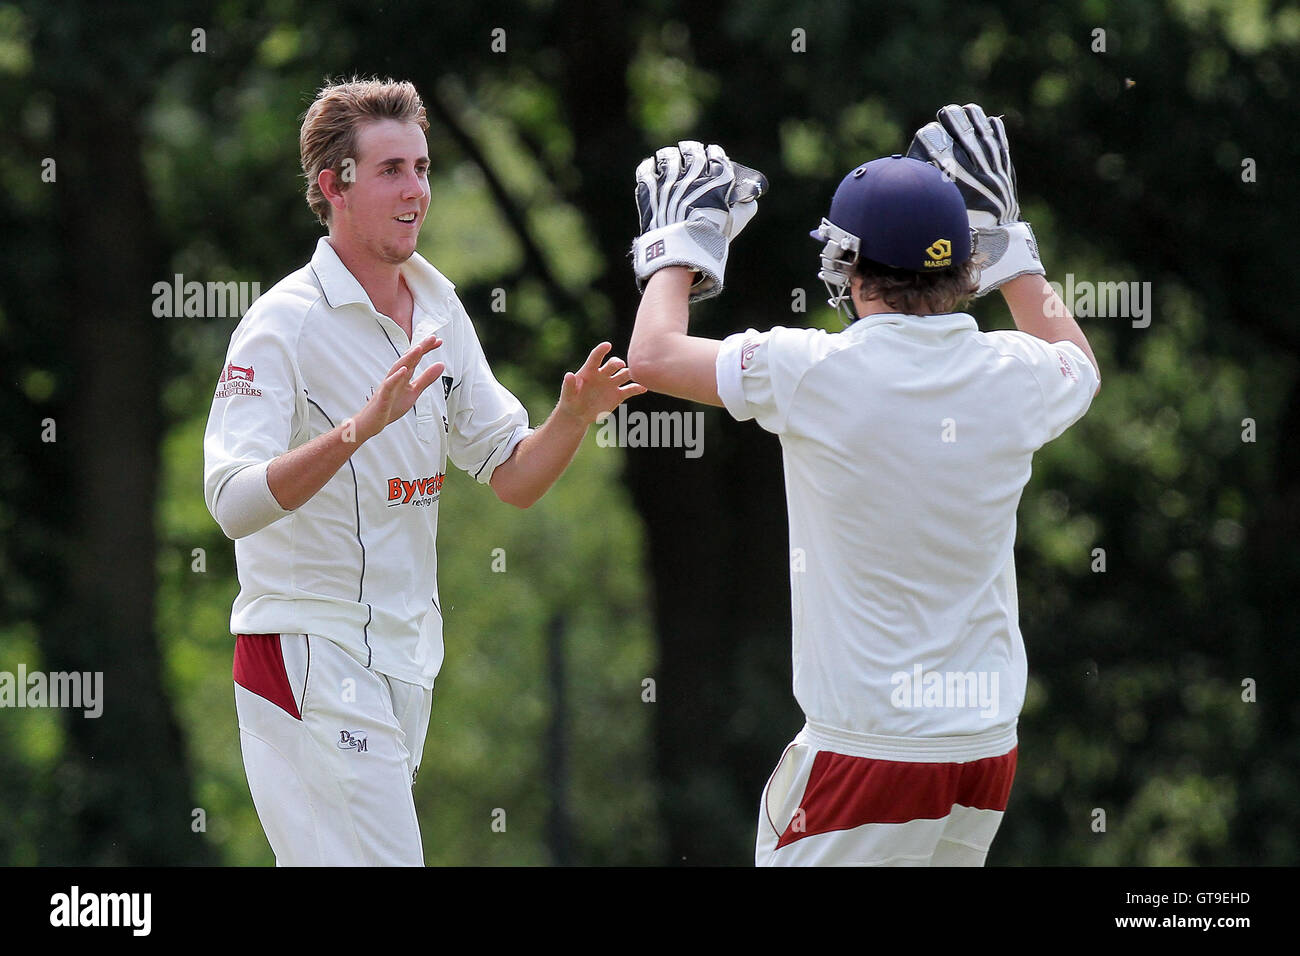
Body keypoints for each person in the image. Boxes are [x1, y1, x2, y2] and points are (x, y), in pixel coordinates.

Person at [627, 105, 1100, 866]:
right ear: (964, 266)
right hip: (983, 752)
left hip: (868, 755)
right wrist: (1014, 247)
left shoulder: (812, 370)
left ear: (847, 266)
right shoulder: (1018, 374)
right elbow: (1080, 361)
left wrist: (678, 248)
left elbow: (650, 355)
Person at [203, 77, 644, 866]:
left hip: (405, 660)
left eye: (423, 167)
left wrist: (572, 420)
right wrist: (355, 431)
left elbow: (512, 477)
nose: (417, 191)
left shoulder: (439, 309)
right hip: (305, 649)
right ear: (333, 188)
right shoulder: (282, 323)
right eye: (392, 171)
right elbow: (232, 504)